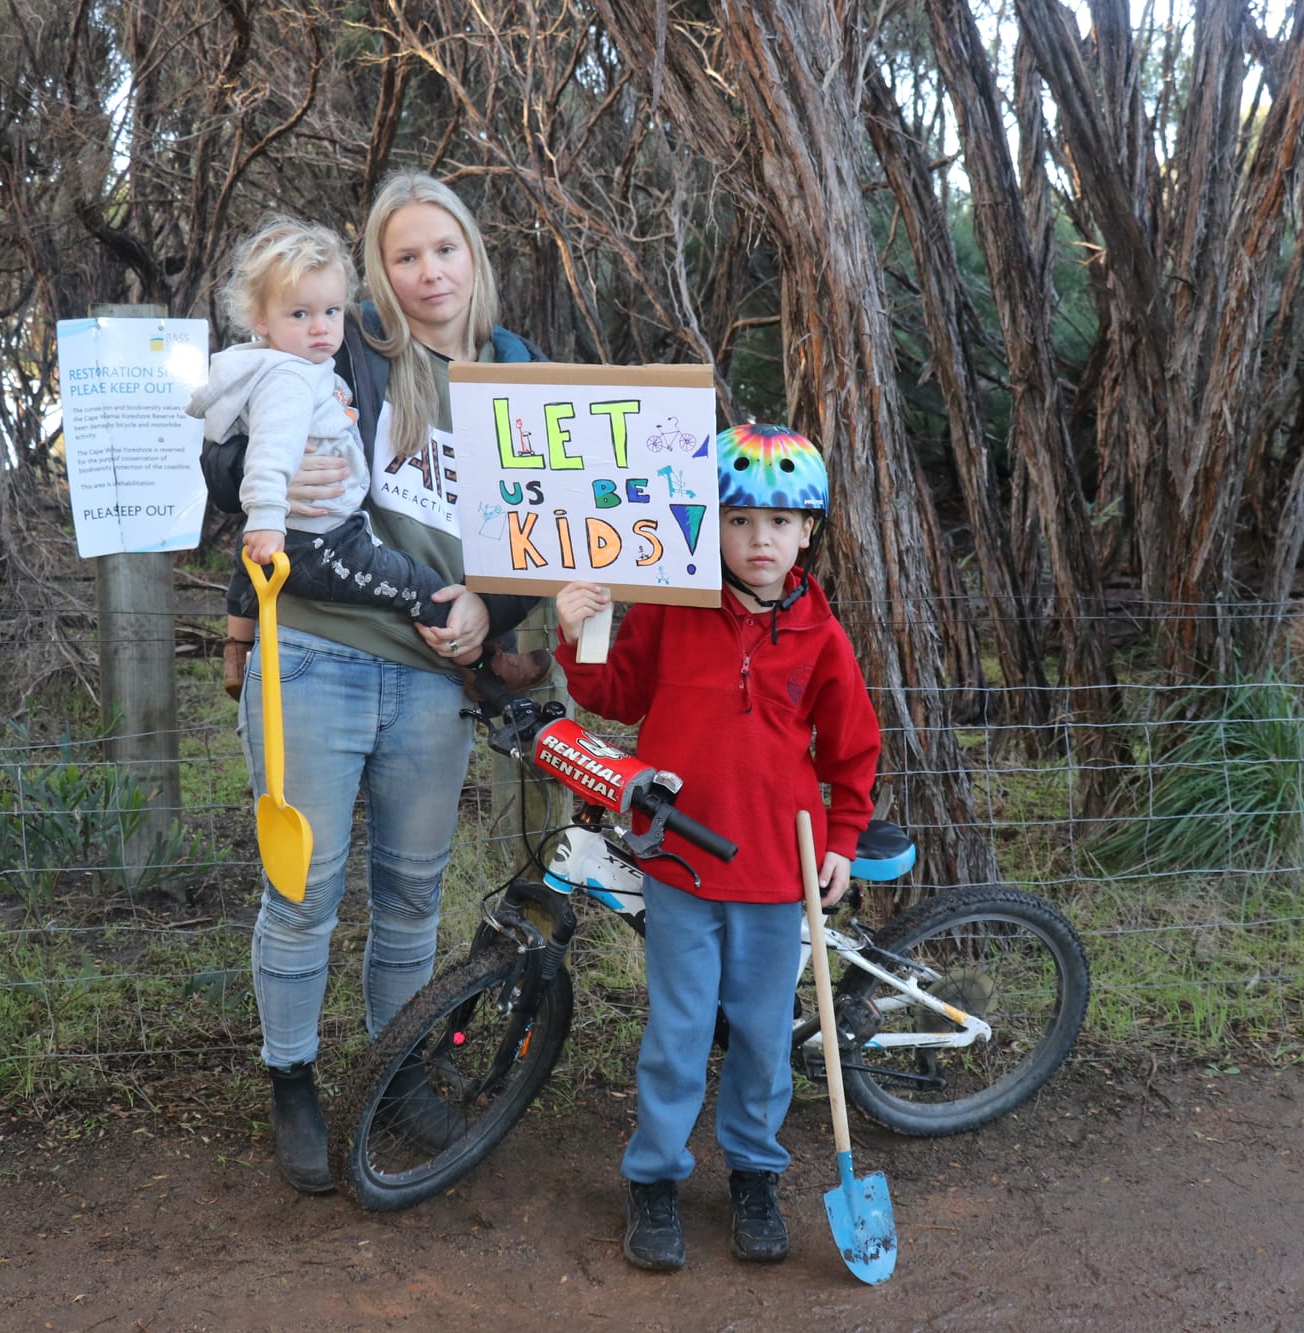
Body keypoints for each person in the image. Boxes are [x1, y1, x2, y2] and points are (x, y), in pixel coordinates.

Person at [219, 173, 551, 1194]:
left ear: (472, 254)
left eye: (441, 249)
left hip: (428, 680)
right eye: (403, 256)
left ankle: (395, 1068)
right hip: (317, 652)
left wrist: (486, 617)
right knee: (302, 892)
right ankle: (294, 1081)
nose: (427, 272)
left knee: (410, 898)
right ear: (379, 269)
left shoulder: (518, 371)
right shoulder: (346, 348)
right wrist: (242, 483)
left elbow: (548, 524)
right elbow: (233, 442)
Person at [552, 423, 881, 1271]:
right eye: (738, 520)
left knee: (764, 1034)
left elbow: (852, 749)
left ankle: (755, 1174)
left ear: (808, 529)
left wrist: (842, 835)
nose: (758, 539)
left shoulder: (822, 636)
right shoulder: (672, 605)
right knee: (679, 1026)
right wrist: (580, 628)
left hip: (779, 869)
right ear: (711, 525)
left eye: (778, 521)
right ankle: (654, 1179)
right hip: (681, 861)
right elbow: (615, 694)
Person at [190, 217, 453, 660]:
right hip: (321, 539)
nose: (321, 328)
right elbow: (270, 452)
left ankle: (237, 650)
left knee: (246, 559)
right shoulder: (289, 379)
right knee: (419, 585)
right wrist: (268, 515)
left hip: (310, 527)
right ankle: (485, 668)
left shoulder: (290, 365)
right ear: (261, 319)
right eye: (300, 314)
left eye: (331, 312)